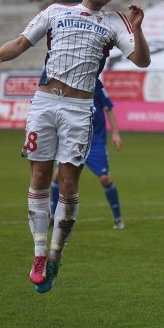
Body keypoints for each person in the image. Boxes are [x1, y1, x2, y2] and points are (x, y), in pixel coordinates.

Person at [0, 0, 150, 294]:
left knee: (68, 182)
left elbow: (142, 61)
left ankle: (57, 253)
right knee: (39, 178)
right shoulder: (55, 11)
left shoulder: (116, 22)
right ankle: (40, 254)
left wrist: (138, 29)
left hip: (78, 109)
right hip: (44, 103)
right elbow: (20, 42)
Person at [51, 77, 125, 230]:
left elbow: (109, 108)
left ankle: (118, 218)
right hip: (73, 140)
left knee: (105, 179)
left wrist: (116, 133)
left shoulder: (96, 85)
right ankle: (53, 215)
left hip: (95, 142)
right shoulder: (67, 83)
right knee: (58, 175)